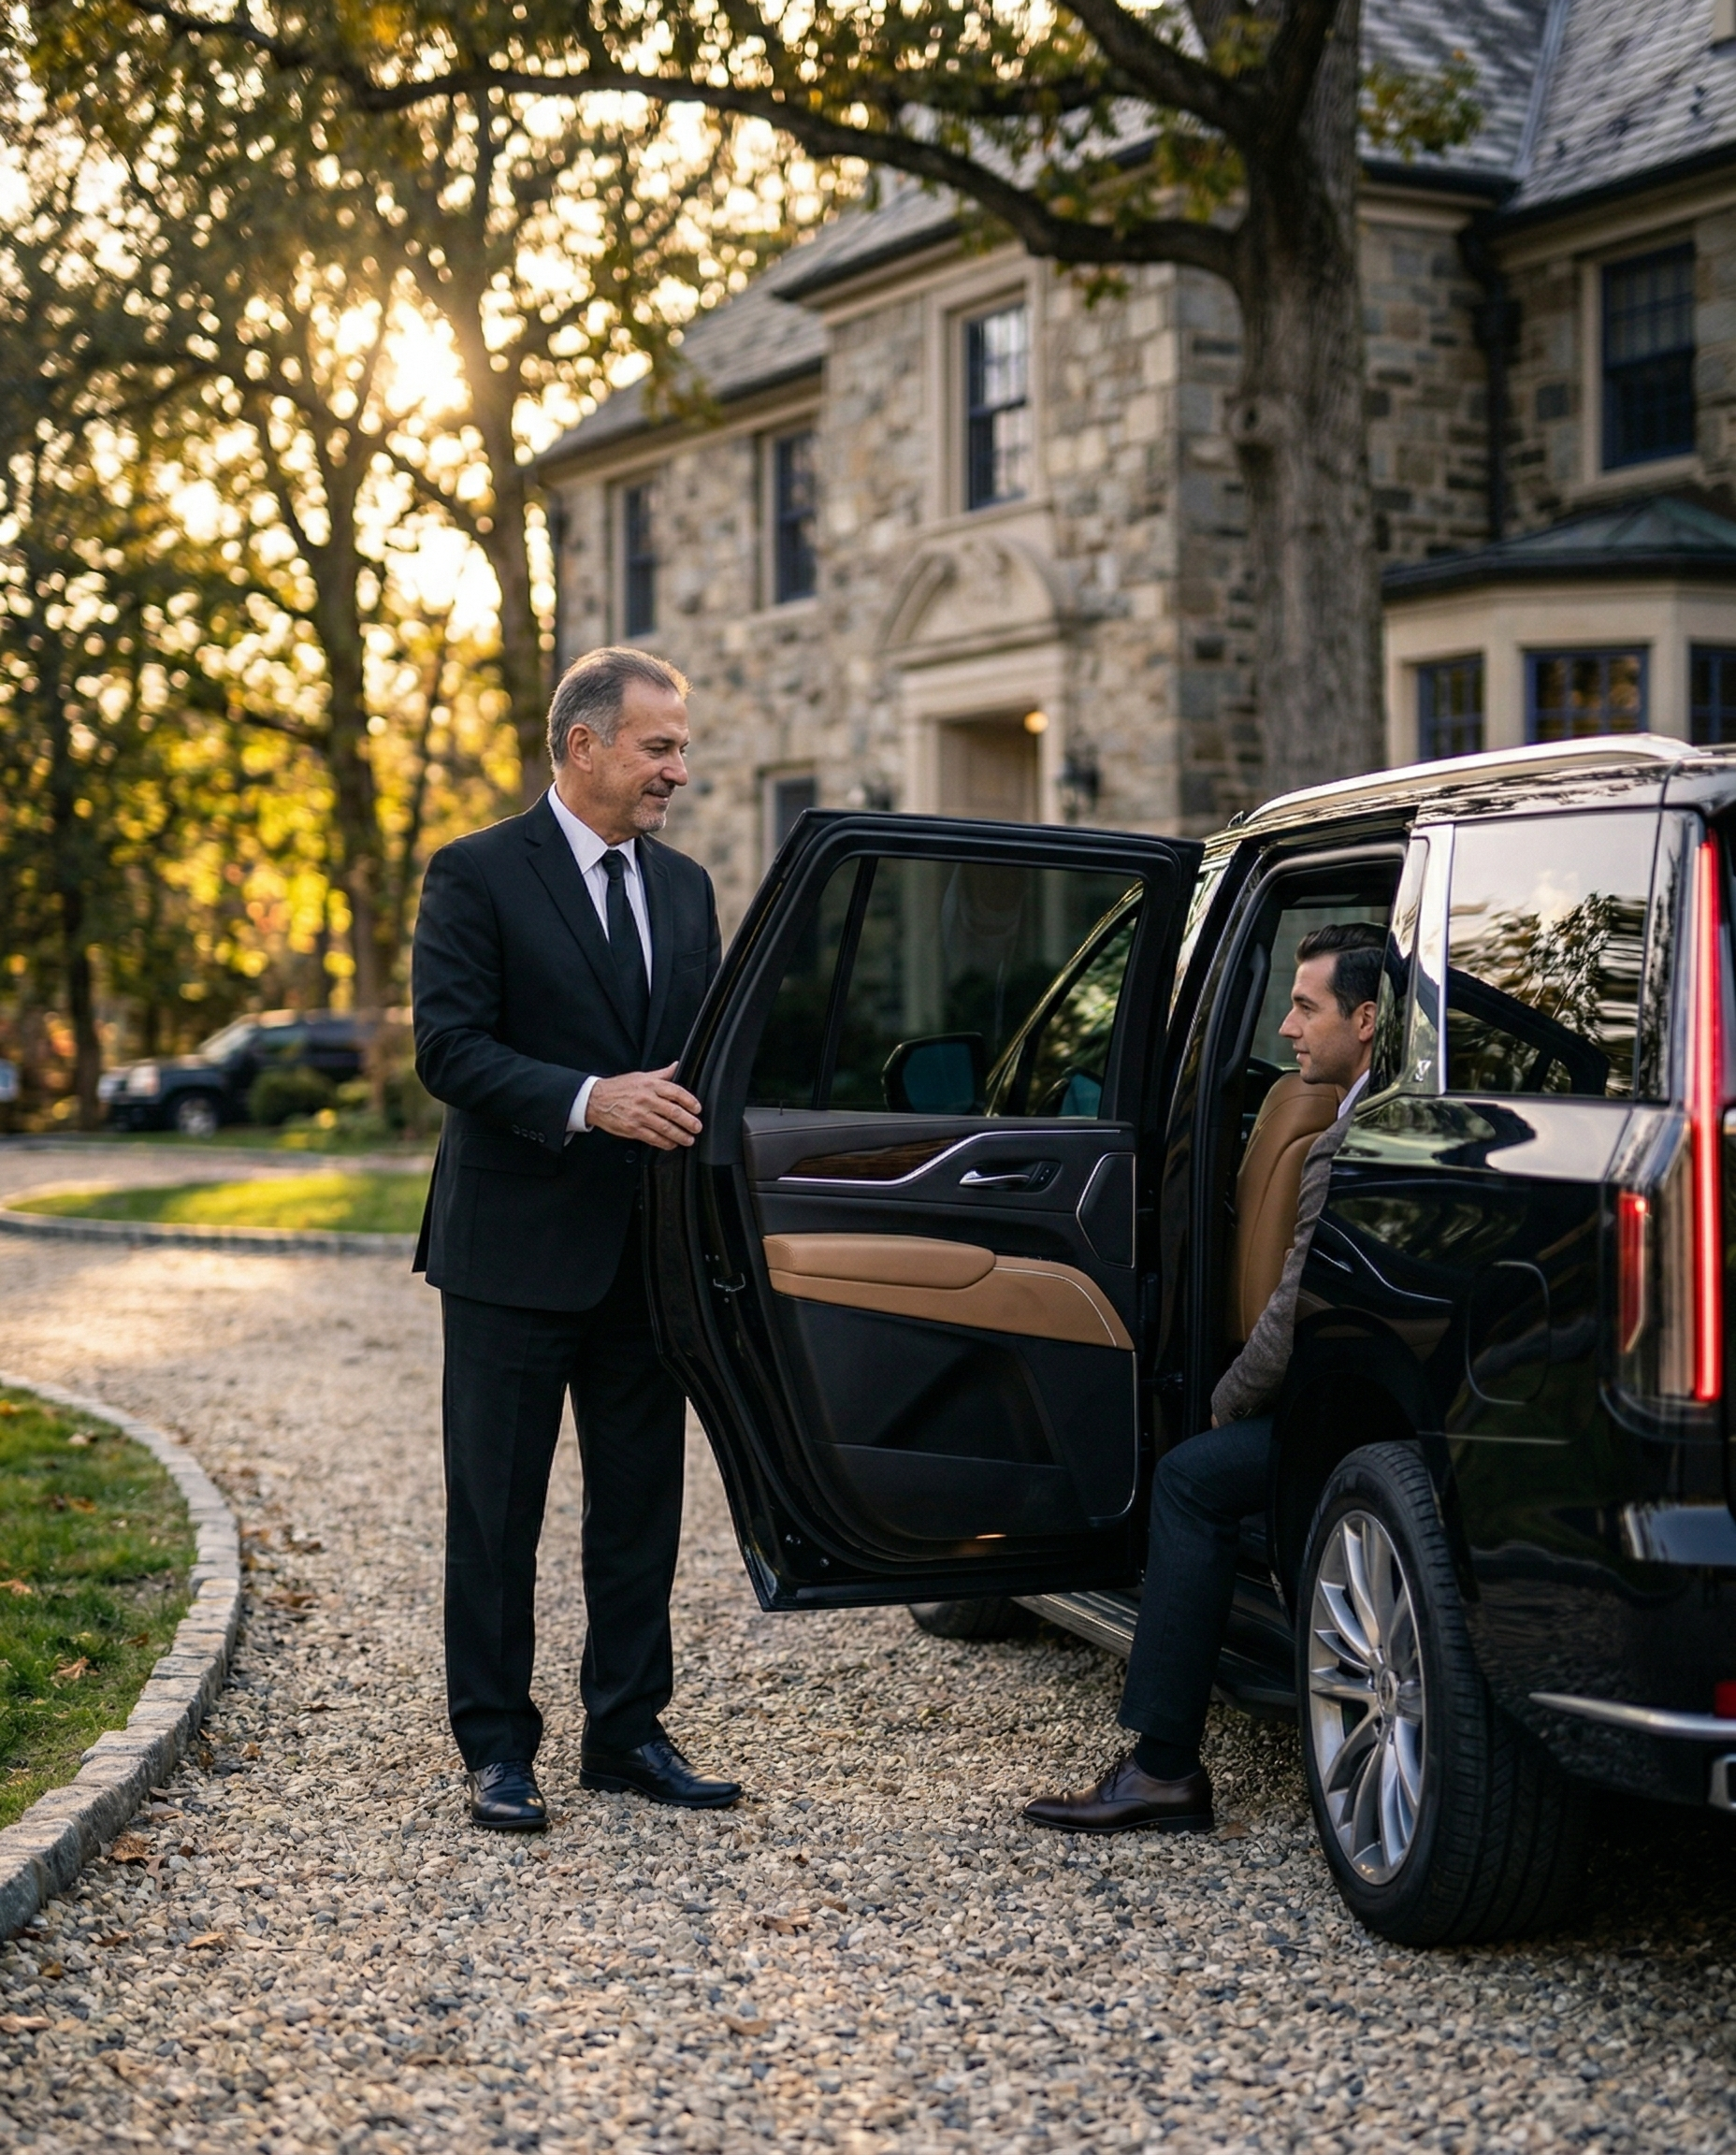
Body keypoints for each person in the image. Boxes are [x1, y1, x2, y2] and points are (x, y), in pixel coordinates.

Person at [412, 646, 741, 1830]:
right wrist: (588, 1096)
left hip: (643, 1258)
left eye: (679, 748)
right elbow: (446, 1050)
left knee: (641, 1500)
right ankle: (497, 1747)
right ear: (583, 744)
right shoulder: (477, 873)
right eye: (658, 747)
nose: (678, 771)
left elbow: (701, 1064)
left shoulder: (689, 887)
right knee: (495, 1509)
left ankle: (627, 1732)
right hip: (508, 1254)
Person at [1023, 921, 1384, 1835]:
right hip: (1377, 1407)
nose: (1288, 1031)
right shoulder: (1379, 1115)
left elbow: (1286, 1317)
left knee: (1190, 1479)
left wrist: (1220, 1407)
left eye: (1305, 1009)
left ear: (1368, 1019)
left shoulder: (1346, 1144)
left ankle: (1161, 1770)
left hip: (1345, 1421)